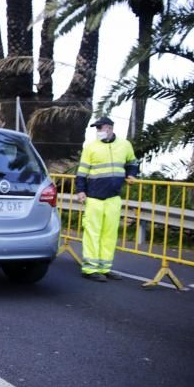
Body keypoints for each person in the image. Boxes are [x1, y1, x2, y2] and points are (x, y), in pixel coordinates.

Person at [75, 116, 138, 282]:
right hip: (94, 197)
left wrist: (131, 174)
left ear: (109, 128)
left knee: (109, 234)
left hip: (113, 198)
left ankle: (104, 267)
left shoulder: (125, 145)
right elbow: (82, 172)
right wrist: (80, 191)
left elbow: (132, 162)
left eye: (100, 128)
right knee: (92, 233)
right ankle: (90, 269)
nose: (98, 131)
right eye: (96, 128)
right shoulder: (90, 147)